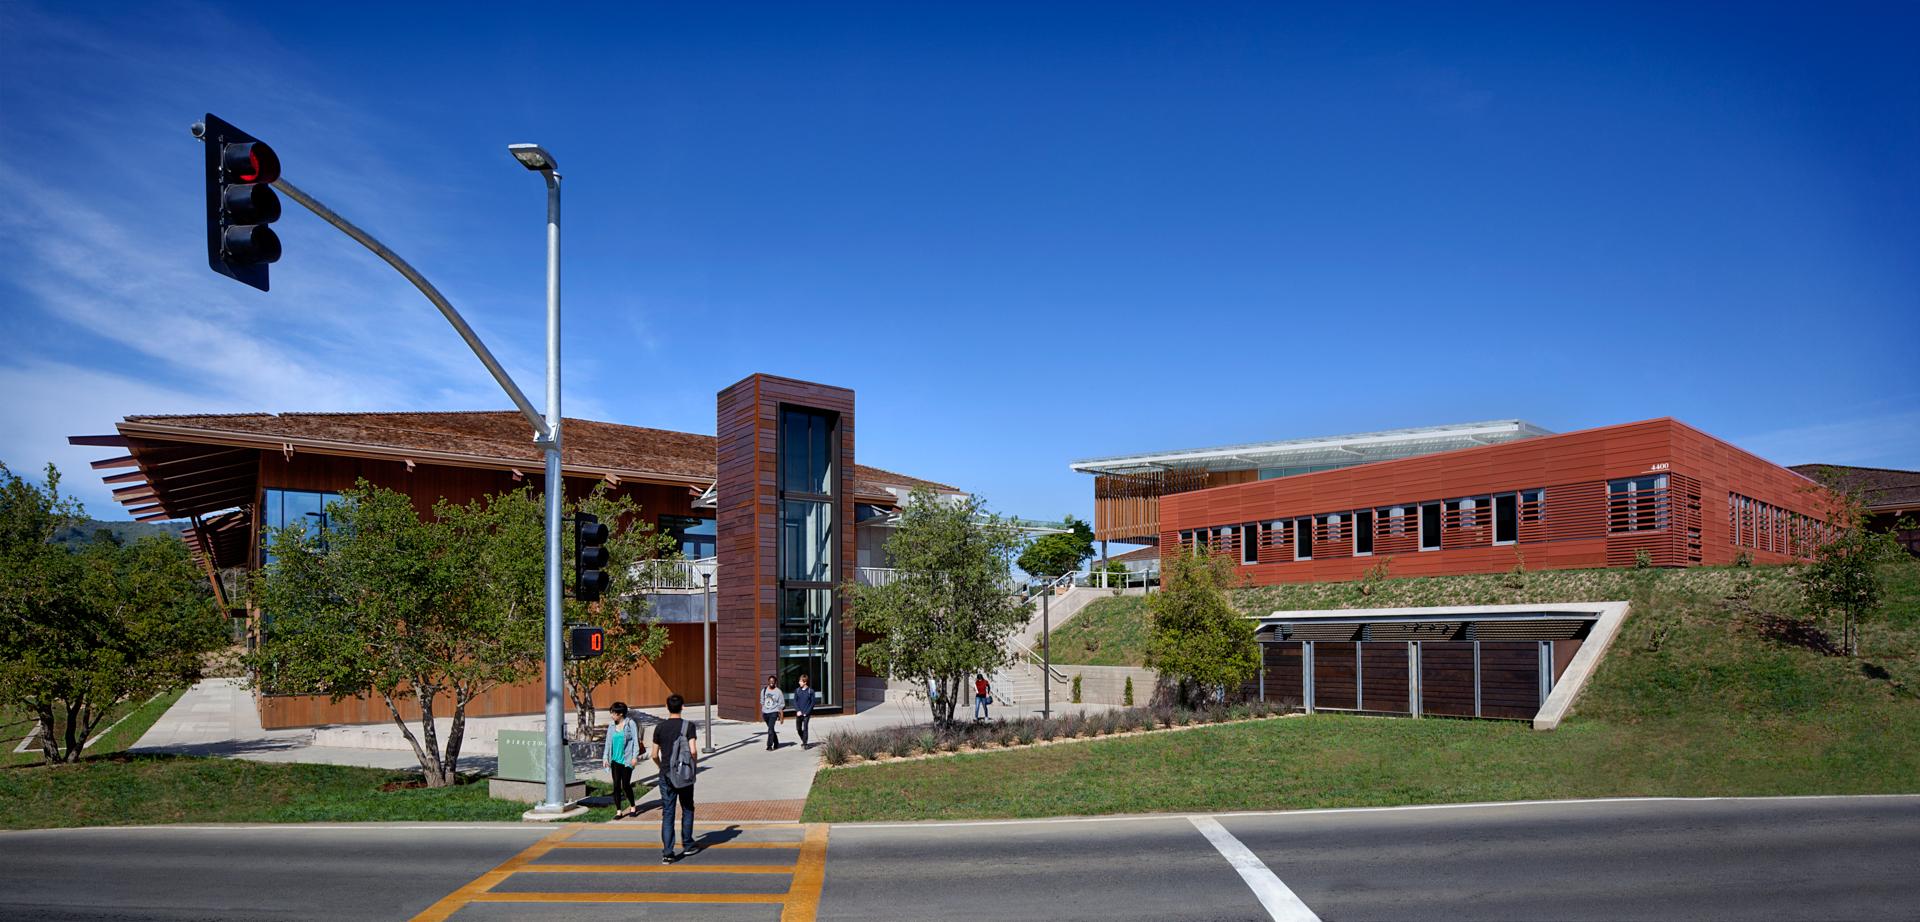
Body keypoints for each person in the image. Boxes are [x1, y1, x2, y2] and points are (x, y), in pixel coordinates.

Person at [652, 693, 700, 863]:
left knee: (668, 812)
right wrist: (693, 767)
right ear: (682, 706)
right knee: (687, 808)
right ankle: (687, 844)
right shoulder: (689, 726)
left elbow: (653, 754)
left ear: (667, 707)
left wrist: (661, 768)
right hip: (684, 774)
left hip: (665, 774)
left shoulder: (660, 728)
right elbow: (693, 751)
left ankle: (667, 852)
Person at [604, 701, 641, 819]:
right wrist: (605, 758)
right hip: (615, 760)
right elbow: (608, 743)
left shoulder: (630, 724)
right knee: (616, 786)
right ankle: (619, 811)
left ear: (620, 714)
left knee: (625, 785)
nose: (611, 715)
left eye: (613, 713)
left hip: (627, 760)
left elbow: (636, 741)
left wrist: (635, 757)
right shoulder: (611, 726)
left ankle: (633, 806)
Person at [792, 674, 818, 748]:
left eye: (800, 681)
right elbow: (795, 701)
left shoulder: (810, 691)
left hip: (806, 714)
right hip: (799, 713)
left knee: (805, 728)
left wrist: (806, 713)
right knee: (798, 729)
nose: (799, 682)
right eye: (799, 681)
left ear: (805, 682)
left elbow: (812, 703)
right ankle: (804, 740)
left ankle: (805, 743)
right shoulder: (797, 690)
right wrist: (798, 710)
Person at [760, 675, 785, 750]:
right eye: (770, 681)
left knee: (770, 729)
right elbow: (762, 701)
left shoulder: (778, 692)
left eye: (773, 681)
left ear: (775, 682)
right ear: (768, 682)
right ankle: (776, 742)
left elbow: (781, 704)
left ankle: (769, 745)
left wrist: (781, 716)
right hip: (765, 713)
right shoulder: (764, 690)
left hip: (774, 712)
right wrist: (764, 708)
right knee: (771, 729)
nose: (772, 683)